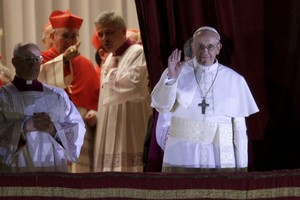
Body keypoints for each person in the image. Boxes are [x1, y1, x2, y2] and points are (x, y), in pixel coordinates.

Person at [151, 26, 259, 172]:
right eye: (200, 47)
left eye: (210, 47)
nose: (205, 52)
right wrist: (171, 79)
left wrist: (241, 167)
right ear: (193, 47)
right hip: (183, 154)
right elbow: (162, 106)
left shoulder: (234, 80)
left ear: (218, 48)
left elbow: (240, 130)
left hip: (220, 155)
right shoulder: (176, 72)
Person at [0, 42, 85, 172]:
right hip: (17, 169)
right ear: (14, 62)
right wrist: (22, 128)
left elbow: (77, 127)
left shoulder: (58, 95)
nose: (33, 63)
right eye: (28, 59)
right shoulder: (3, 96)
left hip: (53, 167)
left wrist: (54, 129)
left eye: (37, 59)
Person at [38, 9, 100, 173]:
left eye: (74, 36)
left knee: (79, 174)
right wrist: (63, 59)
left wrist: (94, 111)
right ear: (53, 37)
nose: (70, 41)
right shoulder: (39, 59)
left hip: (80, 128)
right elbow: (37, 83)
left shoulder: (85, 63)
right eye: (65, 36)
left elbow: (95, 96)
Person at [93, 10, 152, 172]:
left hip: (131, 122)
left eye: (109, 33)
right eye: (101, 34)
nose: (105, 39)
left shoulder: (138, 52)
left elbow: (135, 86)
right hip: (110, 121)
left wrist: (111, 73)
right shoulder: (110, 59)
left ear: (123, 31)